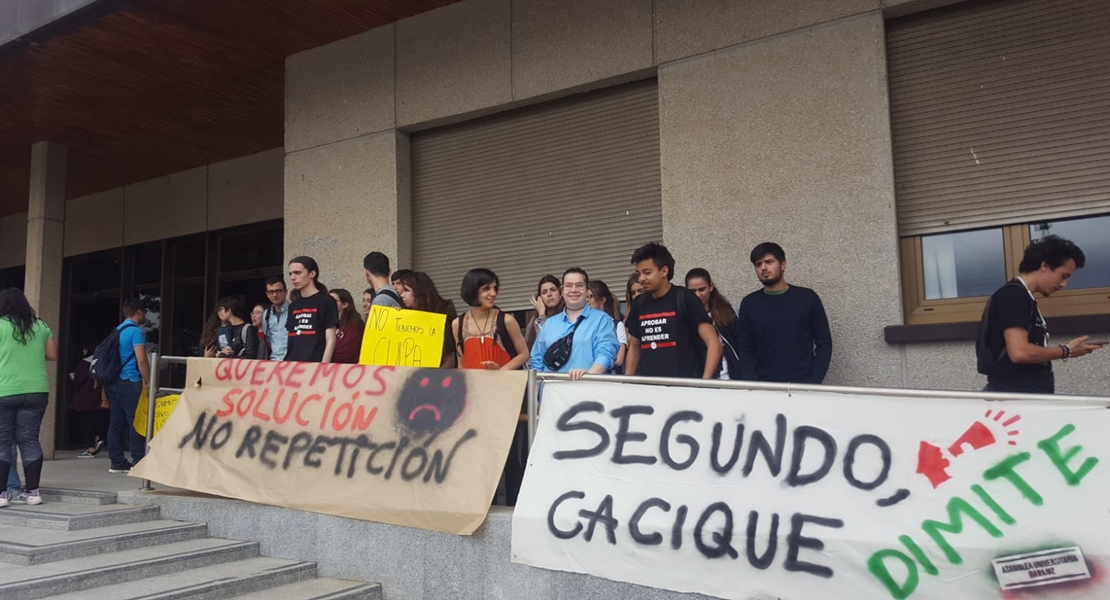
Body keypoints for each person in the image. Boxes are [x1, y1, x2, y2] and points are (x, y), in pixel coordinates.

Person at [978, 235, 1103, 394]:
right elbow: (1020, 352)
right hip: (1015, 400)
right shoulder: (1014, 295)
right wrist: (1067, 350)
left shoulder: (1023, 297)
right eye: (1063, 276)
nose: (1064, 284)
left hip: (1020, 397)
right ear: (1044, 266)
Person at [736, 243, 833, 384]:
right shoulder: (749, 303)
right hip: (765, 386)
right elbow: (745, 349)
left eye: (769, 262)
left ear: (783, 265)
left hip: (803, 386)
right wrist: (751, 384)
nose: (763, 268)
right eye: (758, 264)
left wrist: (814, 382)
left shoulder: (807, 298)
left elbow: (824, 343)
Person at [624, 243, 721, 379]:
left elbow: (713, 343)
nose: (641, 279)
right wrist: (626, 382)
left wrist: (704, 383)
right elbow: (634, 348)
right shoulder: (639, 304)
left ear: (664, 271)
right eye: (638, 274)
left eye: (647, 272)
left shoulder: (685, 298)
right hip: (649, 390)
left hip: (684, 390)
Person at [0, 289, 56, 506]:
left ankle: (2, 494)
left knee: (3, 441)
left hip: (5, 390)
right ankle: (33, 492)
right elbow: (51, 354)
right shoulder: (40, 325)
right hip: (36, 390)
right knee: (29, 439)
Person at [529, 269, 619, 379]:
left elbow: (606, 352)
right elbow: (536, 360)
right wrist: (539, 388)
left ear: (587, 290)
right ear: (562, 291)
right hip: (552, 391)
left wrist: (590, 375)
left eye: (579, 285)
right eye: (568, 286)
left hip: (589, 389)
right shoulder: (549, 324)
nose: (573, 290)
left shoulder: (602, 319)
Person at [105, 299, 150, 474]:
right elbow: (141, 359)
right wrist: (149, 379)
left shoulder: (117, 331)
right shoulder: (135, 332)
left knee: (116, 423)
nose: (145, 315)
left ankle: (116, 461)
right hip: (130, 380)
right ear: (138, 312)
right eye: (144, 312)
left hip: (114, 381)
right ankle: (139, 460)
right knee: (135, 421)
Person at [452, 269, 528, 370]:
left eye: (495, 288)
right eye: (486, 289)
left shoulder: (507, 320)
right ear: (472, 290)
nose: (493, 293)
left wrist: (500, 372)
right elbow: (461, 363)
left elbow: (524, 354)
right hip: (472, 383)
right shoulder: (458, 324)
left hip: (504, 383)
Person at [685, 268, 742, 380]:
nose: (698, 295)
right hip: (695, 379)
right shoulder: (683, 315)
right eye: (693, 291)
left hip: (727, 378)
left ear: (711, 286)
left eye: (702, 289)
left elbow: (742, 346)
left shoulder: (727, 312)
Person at [395, 271, 458, 368]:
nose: (402, 295)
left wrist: (432, 380)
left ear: (419, 292)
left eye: (406, 291)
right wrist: (395, 317)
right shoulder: (407, 317)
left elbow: (449, 360)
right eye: (402, 292)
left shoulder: (441, 321)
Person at [285, 256, 339, 363]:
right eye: (290, 274)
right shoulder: (293, 306)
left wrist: (323, 367)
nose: (292, 277)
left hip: (315, 365)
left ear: (312, 274)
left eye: (297, 272)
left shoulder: (326, 301)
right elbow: (290, 340)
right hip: (292, 365)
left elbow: (331, 340)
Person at [72, 343, 108, 457]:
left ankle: (90, 448)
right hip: (100, 396)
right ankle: (98, 437)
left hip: (86, 397)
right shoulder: (102, 361)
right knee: (98, 419)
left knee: (87, 422)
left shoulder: (84, 364)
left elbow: (77, 381)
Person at [587, 280, 627, 373]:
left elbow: (619, 360)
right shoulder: (581, 325)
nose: (586, 300)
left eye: (590, 297)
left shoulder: (617, 325)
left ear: (602, 300)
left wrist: (602, 359)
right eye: (585, 297)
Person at [215, 295, 263, 359]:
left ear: (229, 311)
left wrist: (227, 356)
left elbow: (250, 356)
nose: (219, 313)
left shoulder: (248, 329)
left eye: (221, 309)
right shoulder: (224, 330)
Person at [524, 275, 564, 351]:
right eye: (544, 292)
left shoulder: (567, 314)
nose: (549, 294)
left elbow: (550, 342)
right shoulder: (534, 320)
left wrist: (542, 315)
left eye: (553, 290)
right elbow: (527, 348)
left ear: (560, 293)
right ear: (539, 297)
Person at [329, 289, 364, 364]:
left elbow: (346, 353)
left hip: (346, 369)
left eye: (332, 300)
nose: (328, 303)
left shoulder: (354, 324)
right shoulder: (328, 322)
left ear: (345, 304)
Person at [261, 277, 290, 361]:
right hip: (273, 360)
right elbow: (268, 338)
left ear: (286, 292)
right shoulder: (266, 314)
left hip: (291, 360)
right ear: (267, 294)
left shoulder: (294, 310)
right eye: (271, 292)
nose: (275, 295)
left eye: (278, 291)